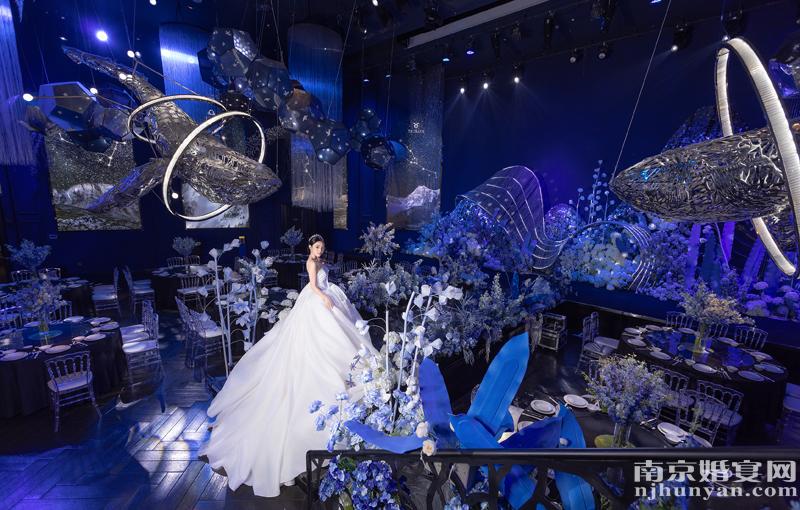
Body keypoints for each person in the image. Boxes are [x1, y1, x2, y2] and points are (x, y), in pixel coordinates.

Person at [200, 234, 375, 497]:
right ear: (310, 247)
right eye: (317, 247)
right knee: (317, 342)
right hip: (315, 303)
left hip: (324, 299)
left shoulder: (321, 261)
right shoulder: (311, 262)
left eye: (322, 247)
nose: (320, 250)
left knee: (340, 337)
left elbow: (323, 282)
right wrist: (325, 298)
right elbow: (313, 286)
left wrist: (331, 295)